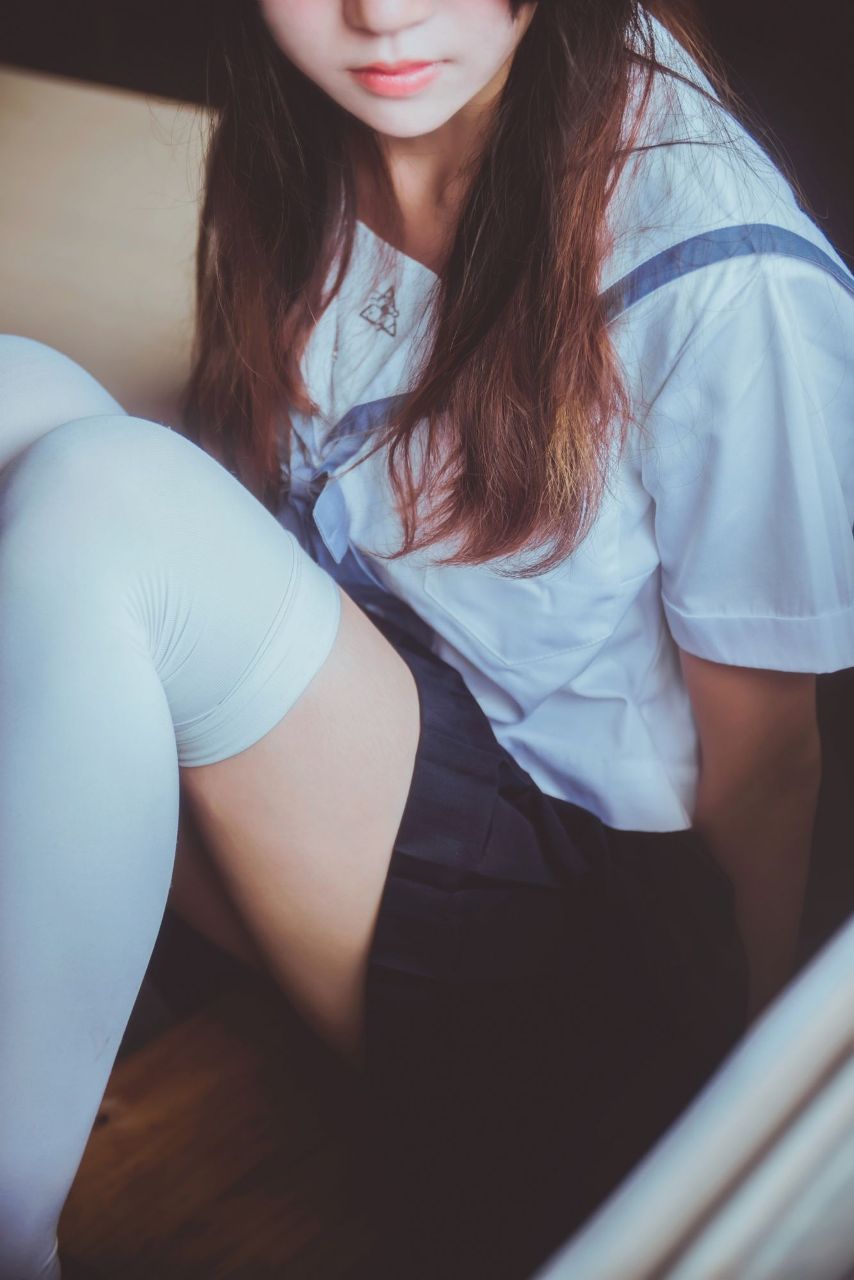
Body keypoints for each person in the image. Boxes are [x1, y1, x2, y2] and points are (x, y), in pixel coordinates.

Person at [1, 2, 852, 1277]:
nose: (383, 12)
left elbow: (771, 773)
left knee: (99, 502)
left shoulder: (722, 272)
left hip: (571, 955)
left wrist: (737, 1156)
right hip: (376, 741)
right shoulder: (314, 116)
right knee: (14, 392)